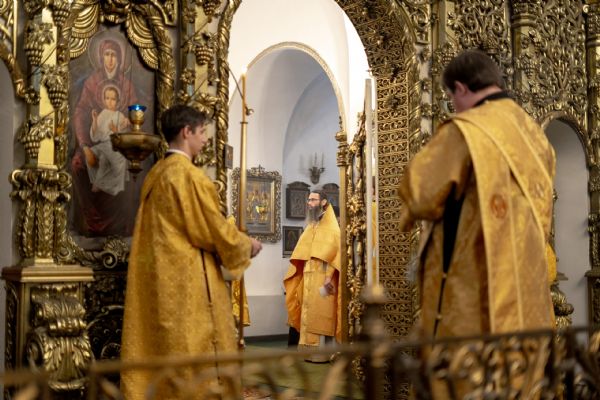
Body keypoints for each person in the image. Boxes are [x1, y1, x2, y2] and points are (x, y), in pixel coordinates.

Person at [398, 49, 556, 340]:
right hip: (526, 290)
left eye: (451, 98)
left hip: (475, 292)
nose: (455, 108)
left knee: (467, 364)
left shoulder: (466, 131)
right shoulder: (535, 135)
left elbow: (419, 194)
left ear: (461, 88)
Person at [121, 104, 263, 399]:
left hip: (161, 280)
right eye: (202, 133)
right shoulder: (188, 176)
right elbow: (210, 228)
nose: (206, 140)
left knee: (165, 352)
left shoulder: (157, 173)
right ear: (186, 132)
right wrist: (246, 245)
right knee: (196, 359)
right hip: (189, 284)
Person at [71, 38, 139, 237]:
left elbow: (134, 116)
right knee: (77, 165)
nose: (110, 60)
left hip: (120, 143)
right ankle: (91, 220)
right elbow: (80, 112)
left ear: (120, 59)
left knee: (131, 166)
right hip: (94, 142)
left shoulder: (126, 84)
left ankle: (123, 226)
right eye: (107, 55)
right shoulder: (92, 82)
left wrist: (127, 125)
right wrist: (84, 145)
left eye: (114, 56)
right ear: (101, 57)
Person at [283, 190, 341, 362]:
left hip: (324, 278)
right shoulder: (311, 226)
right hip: (309, 276)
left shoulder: (332, 228)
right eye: (308, 199)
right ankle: (307, 352)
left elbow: (336, 255)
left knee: (322, 315)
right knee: (307, 313)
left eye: (313, 200)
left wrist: (329, 277)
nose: (309, 203)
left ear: (323, 202)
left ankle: (322, 354)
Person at [83, 85, 129, 195]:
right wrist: (95, 120)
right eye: (107, 98)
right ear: (104, 99)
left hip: (115, 145)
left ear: (118, 101)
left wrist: (116, 130)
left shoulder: (120, 115)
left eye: (113, 99)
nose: (110, 102)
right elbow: (96, 136)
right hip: (103, 145)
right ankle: (98, 182)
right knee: (94, 153)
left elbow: (123, 136)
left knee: (106, 159)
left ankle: (100, 184)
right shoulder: (103, 113)